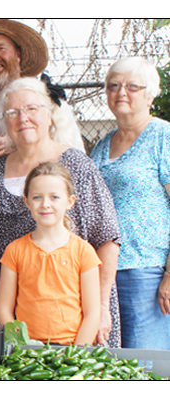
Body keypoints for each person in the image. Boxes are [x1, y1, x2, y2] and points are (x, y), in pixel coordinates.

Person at [0, 77, 122, 347]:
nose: (23, 118)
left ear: (49, 114)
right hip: (15, 315)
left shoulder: (76, 165)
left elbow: (107, 237)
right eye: (12, 112)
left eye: (31, 108)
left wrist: (101, 307)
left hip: (74, 320)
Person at [90, 57, 170, 350]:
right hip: (101, 272)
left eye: (132, 86)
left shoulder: (164, 136)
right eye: (114, 86)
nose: (121, 92)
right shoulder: (102, 144)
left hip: (146, 272)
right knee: (112, 361)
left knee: (145, 364)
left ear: (150, 94)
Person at [0, 19, 83, 168]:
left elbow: (74, 162)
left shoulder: (48, 103)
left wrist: (17, 145)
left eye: (1, 48)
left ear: (18, 54)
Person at [0, 162, 101, 346]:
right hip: (29, 352)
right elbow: (4, 309)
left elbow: (92, 314)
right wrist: (22, 347)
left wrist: (76, 355)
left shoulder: (84, 251)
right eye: (37, 197)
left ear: (70, 202)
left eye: (54, 197)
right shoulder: (14, 251)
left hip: (71, 352)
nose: (45, 204)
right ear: (27, 201)